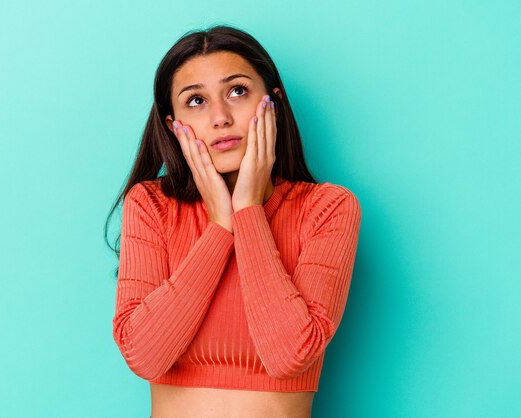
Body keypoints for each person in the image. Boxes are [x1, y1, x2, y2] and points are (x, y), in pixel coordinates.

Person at [106, 24, 362, 418]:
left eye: (237, 91)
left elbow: (290, 356)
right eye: (196, 101)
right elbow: (144, 356)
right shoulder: (151, 205)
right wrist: (219, 226)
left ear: (273, 102)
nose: (221, 117)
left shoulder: (327, 208)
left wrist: (247, 212)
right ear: (174, 124)